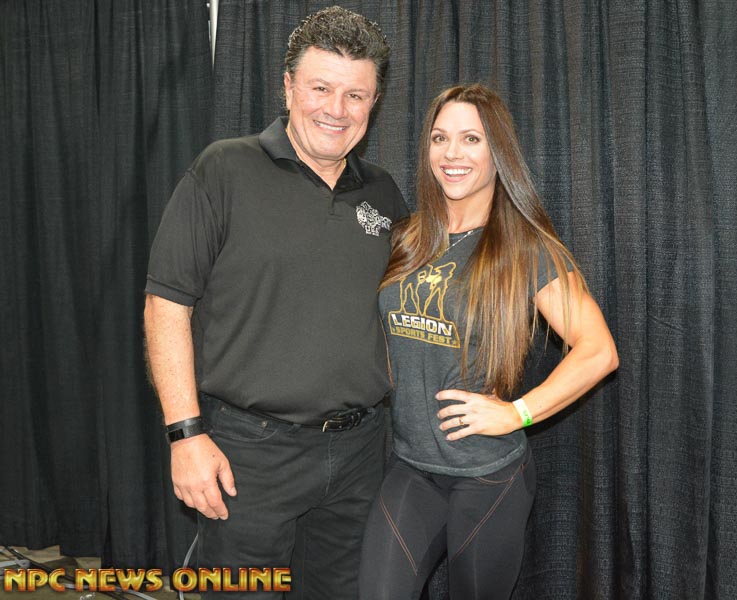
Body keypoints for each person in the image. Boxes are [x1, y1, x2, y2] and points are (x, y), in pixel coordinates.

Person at [143, 6, 408, 599]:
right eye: (320, 88)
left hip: (361, 453)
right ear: (288, 87)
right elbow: (166, 305)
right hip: (248, 456)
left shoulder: (385, 193)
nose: (336, 109)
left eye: (355, 95)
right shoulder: (223, 169)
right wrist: (185, 436)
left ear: (373, 103)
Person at [358, 84, 619, 599]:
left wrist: (517, 413)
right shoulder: (409, 238)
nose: (452, 153)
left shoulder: (525, 247)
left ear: (497, 151)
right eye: (440, 138)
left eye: (471, 139)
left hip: (487, 476)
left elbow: (599, 350)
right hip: (412, 466)